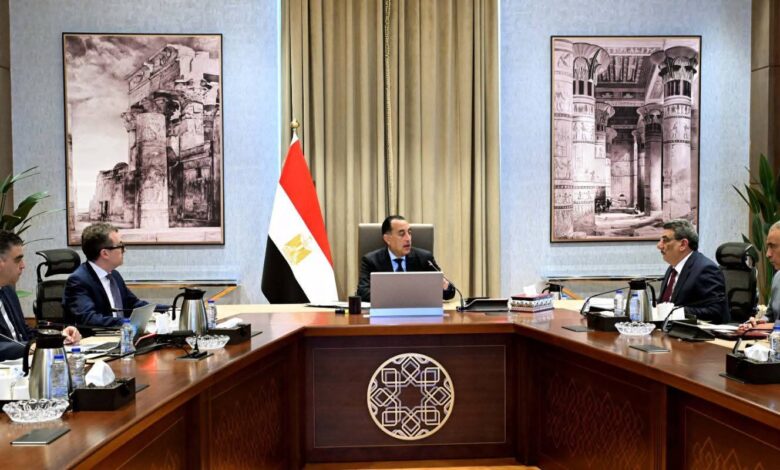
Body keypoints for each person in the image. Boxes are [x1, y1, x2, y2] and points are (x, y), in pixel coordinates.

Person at [0, 231, 81, 361]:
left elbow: (26, 333)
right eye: (18, 260)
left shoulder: (7, 290)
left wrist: (59, 336)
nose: (23, 265)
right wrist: (29, 348)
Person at [63, 223, 153, 327]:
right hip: (98, 336)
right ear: (105, 253)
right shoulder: (79, 281)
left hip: (122, 334)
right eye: (120, 246)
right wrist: (128, 322)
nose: (125, 250)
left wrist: (167, 309)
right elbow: (90, 319)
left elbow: (134, 304)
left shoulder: (114, 275)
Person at [356, 215, 456, 302]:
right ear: (387, 239)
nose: (408, 238)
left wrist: (445, 287)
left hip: (417, 313)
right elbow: (363, 292)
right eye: (401, 234)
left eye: (409, 232)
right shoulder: (371, 261)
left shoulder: (424, 258)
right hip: (386, 314)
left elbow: (449, 293)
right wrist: (401, 297)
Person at [656, 219, 730, 324]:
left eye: (665, 240)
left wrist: (675, 312)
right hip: (670, 329)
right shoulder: (672, 269)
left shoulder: (705, 269)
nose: (659, 246)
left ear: (683, 244)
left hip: (697, 332)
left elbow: (716, 311)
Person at [738, 221, 780, 333]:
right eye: (768, 247)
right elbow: (770, 316)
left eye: (773, 246)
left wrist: (767, 326)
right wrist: (757, 322)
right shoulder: (778, 277)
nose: (768, 254)